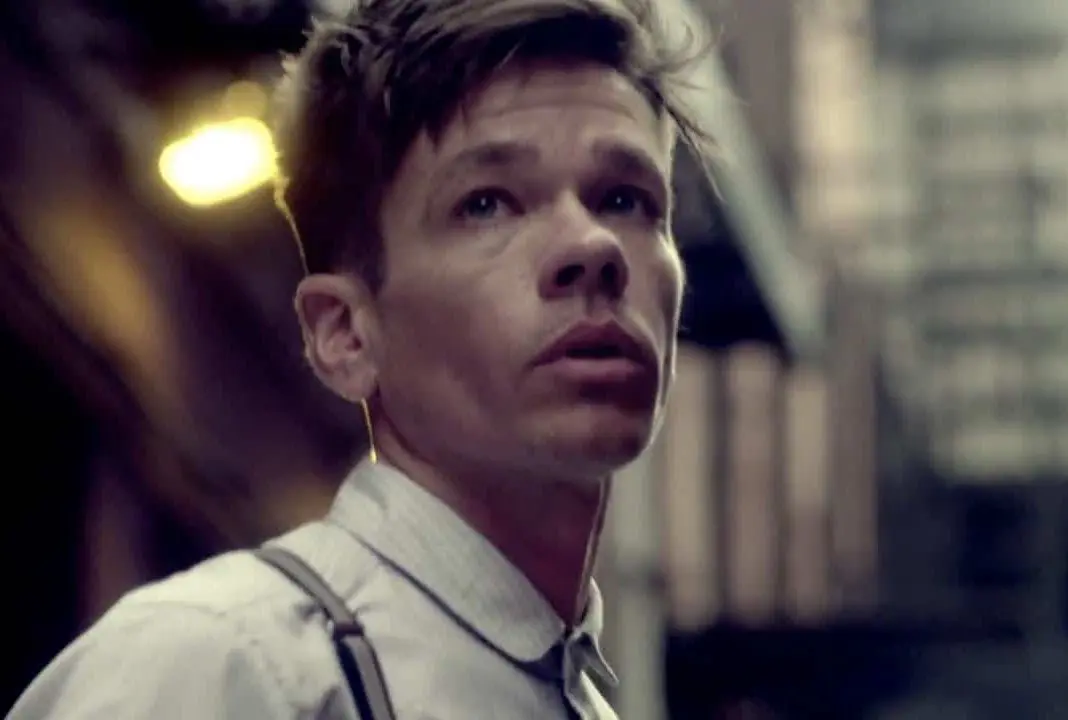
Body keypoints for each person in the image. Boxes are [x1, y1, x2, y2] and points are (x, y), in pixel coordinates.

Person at [8, 0, 713, 717]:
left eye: (625, 199)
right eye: (487, 203)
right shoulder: (220, 661)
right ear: (345, 333)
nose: (593, 246)